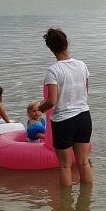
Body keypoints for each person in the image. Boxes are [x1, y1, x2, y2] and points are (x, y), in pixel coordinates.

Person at [37, 28, 92, 187]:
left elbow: (51, 101)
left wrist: (40, 108)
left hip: (64, 121)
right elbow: (85, 91)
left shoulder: (53, 71)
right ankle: (87, 199)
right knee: (83, 162)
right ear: (66, 43)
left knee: (65, 166)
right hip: (84, 117)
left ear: (50, 48)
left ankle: (66, 202)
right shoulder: (81, 65)